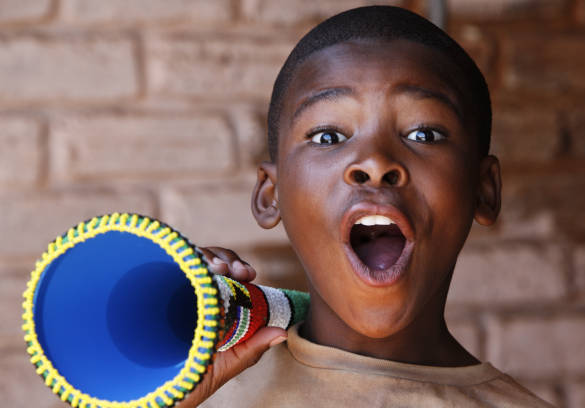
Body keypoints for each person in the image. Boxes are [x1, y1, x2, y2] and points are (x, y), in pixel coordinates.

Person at [178, 6, 553, 407]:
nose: (374, 163)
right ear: (271, 195)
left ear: (484, 190)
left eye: (424, 133)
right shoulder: (194, 385)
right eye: (327, 136)